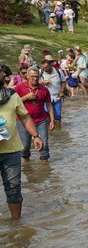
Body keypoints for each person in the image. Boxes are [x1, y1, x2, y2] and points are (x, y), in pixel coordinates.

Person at [1, 66, 45, 219]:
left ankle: (16, 224)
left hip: (11, 151)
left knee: (13, 189)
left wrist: (36, 136)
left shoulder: (12, 95)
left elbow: (25, 117)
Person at [14, 68, 53, 161]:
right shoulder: (19, 87)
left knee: (44, 144)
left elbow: (49, 104)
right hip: (23, 121)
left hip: (41, 120)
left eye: (37, 76)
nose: (35, 78)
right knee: (25, 146)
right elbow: (13, 104)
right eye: (32, 76)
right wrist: (25, 98)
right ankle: (27, 163)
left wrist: (52, 120)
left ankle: (45, 164)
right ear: (27, 76)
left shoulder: (44, 89)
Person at [38, 55, 63, 128]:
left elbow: (63, 81)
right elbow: (34, 82)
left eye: (47, 68)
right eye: (44, 68)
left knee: (58, 116)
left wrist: (61, 91)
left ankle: (59, 130)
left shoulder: (58, 71)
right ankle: (51, 128)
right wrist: (42, 82)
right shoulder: (40, 72)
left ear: (50, 64)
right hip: (45, 98)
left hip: (57, 97)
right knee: (47, 114)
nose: (45, 70)